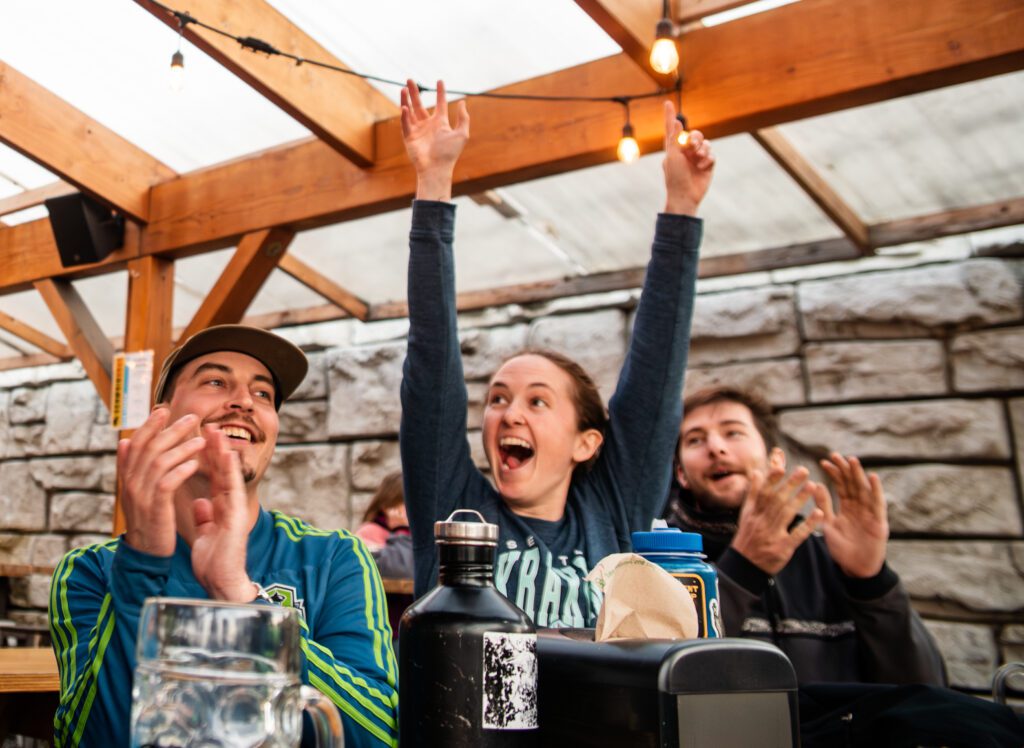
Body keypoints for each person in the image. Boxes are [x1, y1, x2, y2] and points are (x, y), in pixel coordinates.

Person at [398, 79, 715, 627]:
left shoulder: (612, 511)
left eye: (538, 402)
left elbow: (656, 374)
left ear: (586, 442)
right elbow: (432, 359)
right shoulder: (456, 508)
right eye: (498, 398)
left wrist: (681, 210)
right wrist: (432, 182)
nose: (509, 413)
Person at [49, 324, 398, 747]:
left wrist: (242, 597)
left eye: (263, 394)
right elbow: (86, 739)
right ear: (162, 415)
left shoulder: (335, 558)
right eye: (216, 381)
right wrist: (142, 565)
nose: (244, 402)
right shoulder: (89, 571)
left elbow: (381, 729)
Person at [664, 385, 946, 685]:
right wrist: (741, 570)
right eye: (695, 439)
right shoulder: (661, 561)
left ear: (775, 461)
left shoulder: (830, 557)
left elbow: (927, 687)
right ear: (681, 474)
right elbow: (666, 681)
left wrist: (871, 581)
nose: (716, 448)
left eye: (733, 433)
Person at [356, 471, 413, 579]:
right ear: (388, 505)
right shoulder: (369, 532)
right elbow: (400, 569)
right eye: (407, 503)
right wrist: (401, 527)